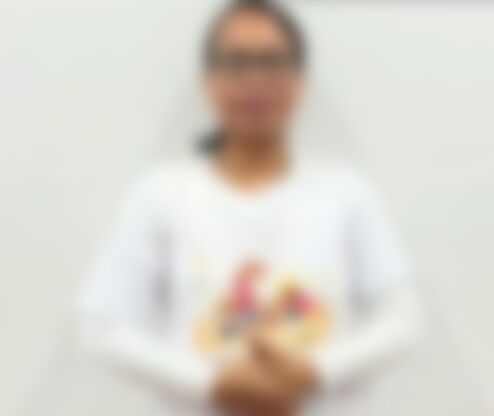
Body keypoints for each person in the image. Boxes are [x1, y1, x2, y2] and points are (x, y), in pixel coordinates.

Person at [79, 1, 421, 415]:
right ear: (208, 81)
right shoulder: (162, 195)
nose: (256, 81)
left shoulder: (345, 193)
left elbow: (403, 319)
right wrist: (213, 384)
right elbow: (102, 326)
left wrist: (316, 371)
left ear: (300, 81)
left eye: (273, 63)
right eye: (237, 63)